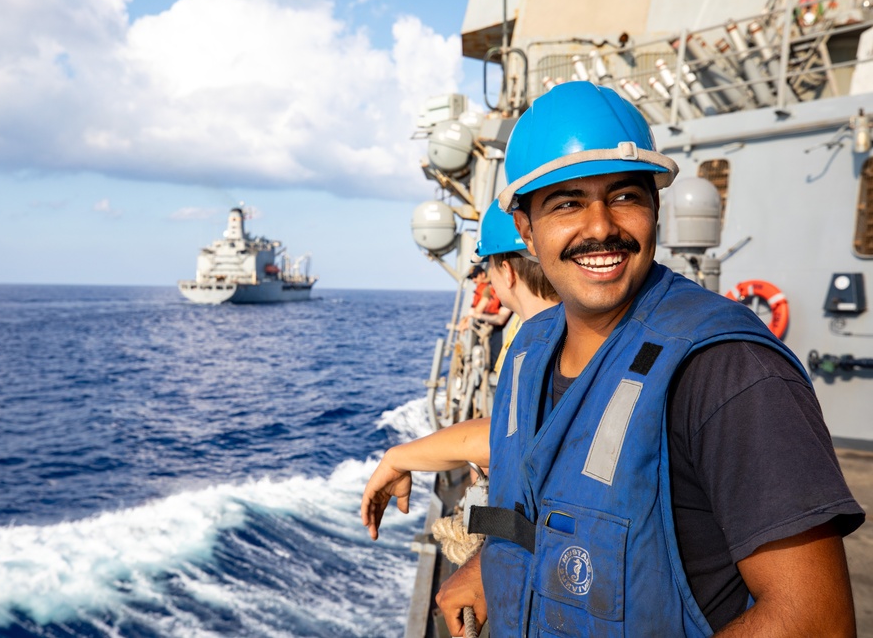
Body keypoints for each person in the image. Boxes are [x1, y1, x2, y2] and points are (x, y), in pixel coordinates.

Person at [443, 80, 864, 638]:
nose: (600, 228)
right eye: (567, 202)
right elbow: (542, 508)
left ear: (655, 206)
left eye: (624, 196)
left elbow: (815, 622)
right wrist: (483, 568)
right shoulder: (528, 350)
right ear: (524, 228)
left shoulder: (728, 370)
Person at [361, 200, 558, 541]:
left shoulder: (542, 344)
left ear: (505, 272)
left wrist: (398, 459)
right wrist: (400, 457)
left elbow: (500, 442)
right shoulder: (563, 330)